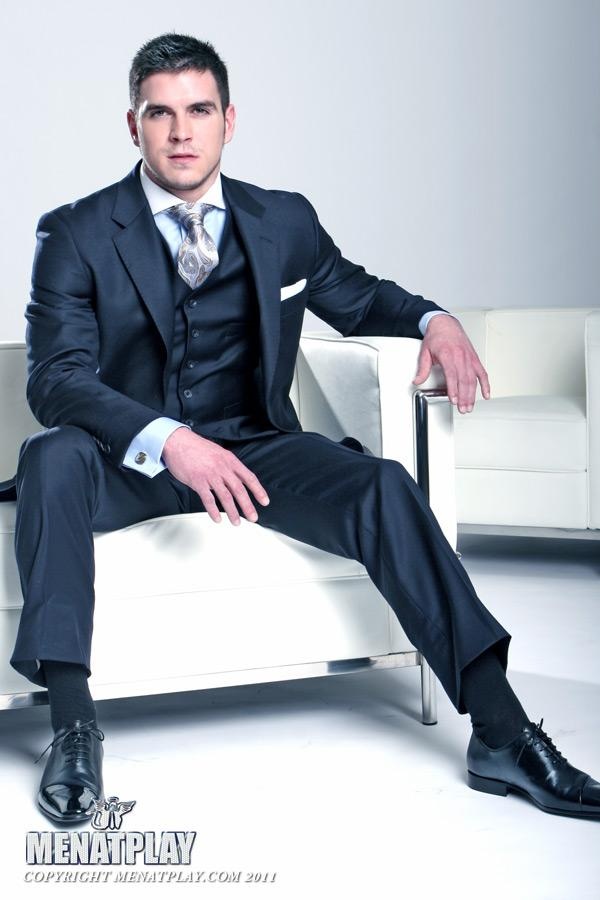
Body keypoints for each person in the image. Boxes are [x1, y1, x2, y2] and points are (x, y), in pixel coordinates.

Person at [7, 33, 599, 825]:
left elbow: (359, 297)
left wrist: (436, 319)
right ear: (133, 125)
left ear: (229, 120)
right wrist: (170, 440)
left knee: (383, 485)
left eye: (199, 110)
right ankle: (74, 727)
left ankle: (504, 734)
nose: (181, 132)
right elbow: (56, 379)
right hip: (130, 461)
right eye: (160, 113)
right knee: (49, 456)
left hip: (254, 446)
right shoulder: (75, 233)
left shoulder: (282, 220)